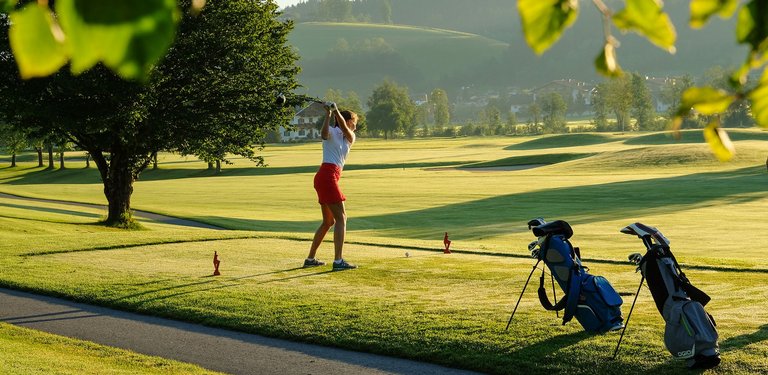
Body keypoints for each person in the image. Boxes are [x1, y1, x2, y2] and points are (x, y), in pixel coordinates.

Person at [304, 102, 358, 271]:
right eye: (354, 122)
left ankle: (310, 259)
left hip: (326, 177)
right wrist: (328, 114)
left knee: (329, 221)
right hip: (326, 176)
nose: (355, 126)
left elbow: (344, 127)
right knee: (342, 219)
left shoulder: (349, 136)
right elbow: (324, 134)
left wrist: (335, 112)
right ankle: (338, 261)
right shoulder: (332, 131)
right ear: (348, 121)